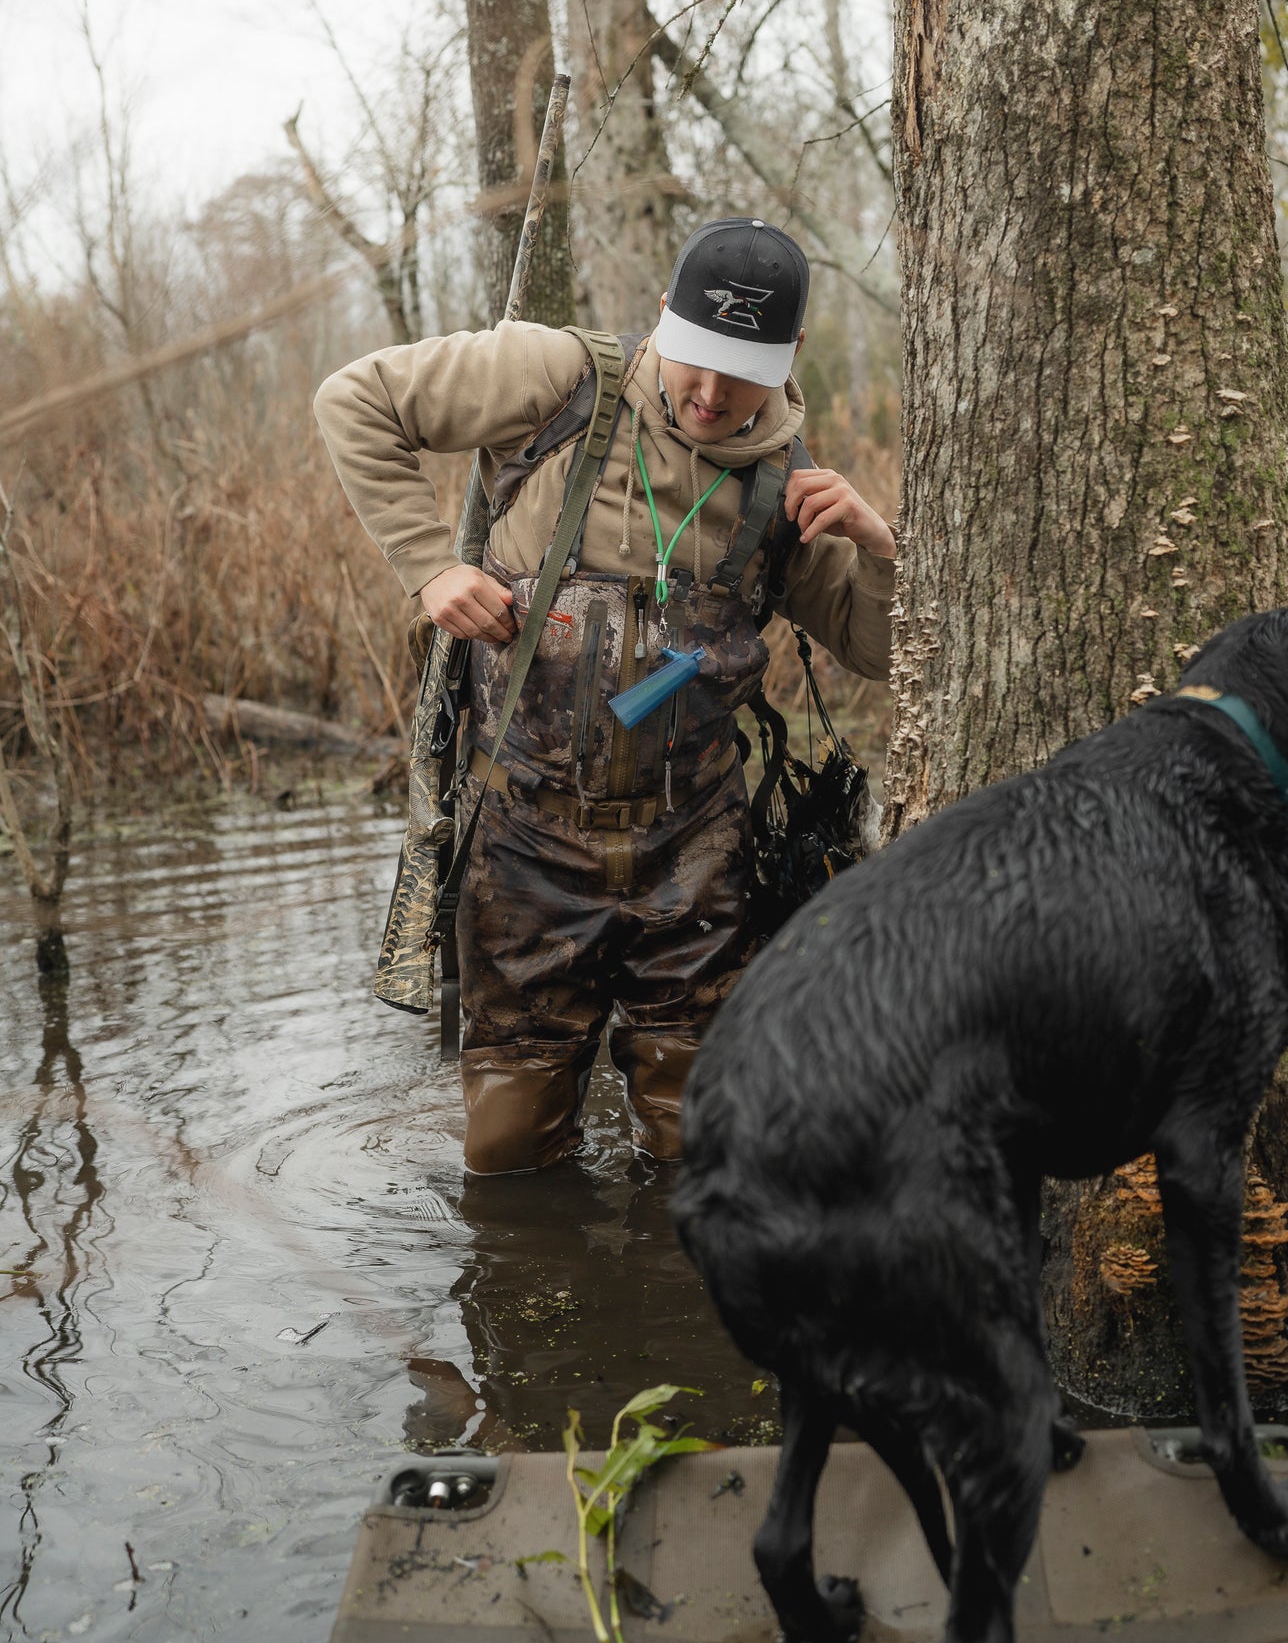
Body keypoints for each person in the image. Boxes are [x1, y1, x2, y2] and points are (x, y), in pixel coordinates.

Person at [314, 218, 895, 1174]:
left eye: (741, 369)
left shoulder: (793, 487)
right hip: (526, 841)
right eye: (693, 359)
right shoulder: (557, 377)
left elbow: (877, 652)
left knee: (702, 1151)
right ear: (662, 318)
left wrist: (879, 546)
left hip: (697, 854)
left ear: (789, 356)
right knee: (506, 1156)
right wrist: (427, 568)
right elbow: (354, 399)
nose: (709, 395)